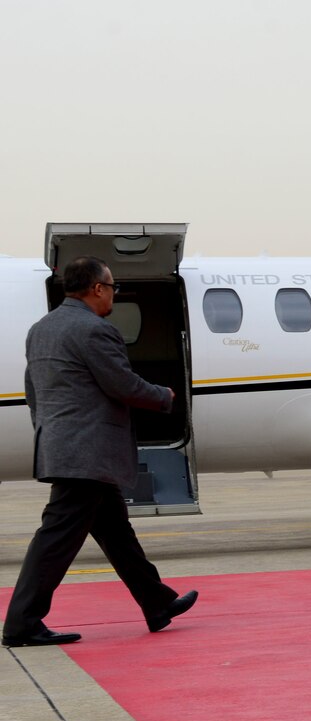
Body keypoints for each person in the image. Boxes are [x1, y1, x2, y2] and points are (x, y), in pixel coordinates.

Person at [3, 257, 198, 648]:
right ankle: (21, 623)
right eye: (112, 287)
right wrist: (164, 396)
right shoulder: (95, 330)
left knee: (115, 531)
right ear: (96, 288)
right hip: (87, 452)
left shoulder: (41, 329)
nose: (113, 294)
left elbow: (33, 391)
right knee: (55, 539)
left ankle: (157, 603)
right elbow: (120, 383)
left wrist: (52, 430)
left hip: (65, 445)